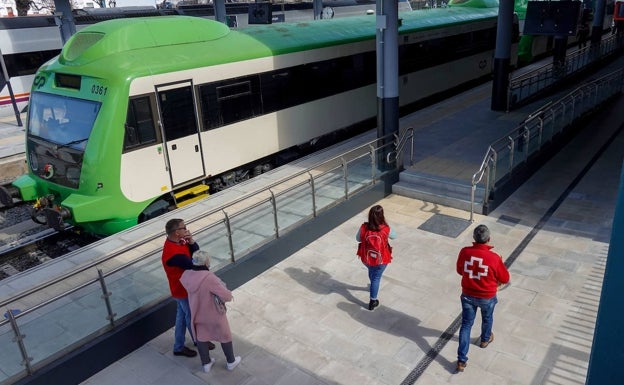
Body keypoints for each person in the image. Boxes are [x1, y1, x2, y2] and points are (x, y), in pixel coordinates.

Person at [455, 224, 510, 372]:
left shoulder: (465, 252)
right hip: (487, 297)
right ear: (489, 239)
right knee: (487, 318)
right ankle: (485, 339)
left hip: (467, 295)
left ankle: (461, 360)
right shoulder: (494, 257)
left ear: (474, 238)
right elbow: (505, 278)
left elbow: (460, 270)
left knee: (466, 325)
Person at [180, 252, 242, 373]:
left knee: (201, 337)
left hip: (197, 313)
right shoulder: (209, 278)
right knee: (225, 336)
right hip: (214, 314)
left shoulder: (186, 274)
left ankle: (206, 364)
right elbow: (227, 296)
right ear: (206, 263)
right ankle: (231, 361)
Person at [161, 218, 213, 358]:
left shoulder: (178, 241)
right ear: (177, 232)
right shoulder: (173, 254)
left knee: (182, 317)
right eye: (184, 228)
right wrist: (206, 266)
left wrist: (191, 242)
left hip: (182, 288)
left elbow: (195, 253)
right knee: (191, 317)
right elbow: (194, 263)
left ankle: (178, 347)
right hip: (182, 290)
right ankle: (200, 341)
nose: (187, 230)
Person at [356, 205, 396, 311]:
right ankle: (373, 301)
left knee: (371, 271)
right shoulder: (385, 229)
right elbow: (394, 236)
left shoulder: (364, 227)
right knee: (376, 278)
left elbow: (357, 239)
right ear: (382, 216)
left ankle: (373, 285)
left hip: (366, 257)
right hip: (381, 260)